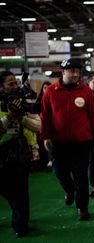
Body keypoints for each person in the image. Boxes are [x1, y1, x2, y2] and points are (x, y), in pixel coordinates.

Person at [40, 59, 94, 221]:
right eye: (71, 71)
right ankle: (70, 191)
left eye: (77, 71)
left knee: (81, 175)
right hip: (58, 143)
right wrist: (45, 135)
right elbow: (45, 116)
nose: (75, 74)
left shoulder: (86, 91)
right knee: (59, 172)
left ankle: (82, 208)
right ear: (63, 72)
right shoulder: (50, 91)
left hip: (82, 142)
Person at [0, 71, 34, 237]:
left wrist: (22, 118)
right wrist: (9, 117)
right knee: (7, 189)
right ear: (1, 87)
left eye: (16, 83)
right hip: (1, 153)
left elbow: (38, 126)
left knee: (21, 190)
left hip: (19, 152)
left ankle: (20, 225)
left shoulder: (20, 101)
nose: (15, 87)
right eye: (10, 84)